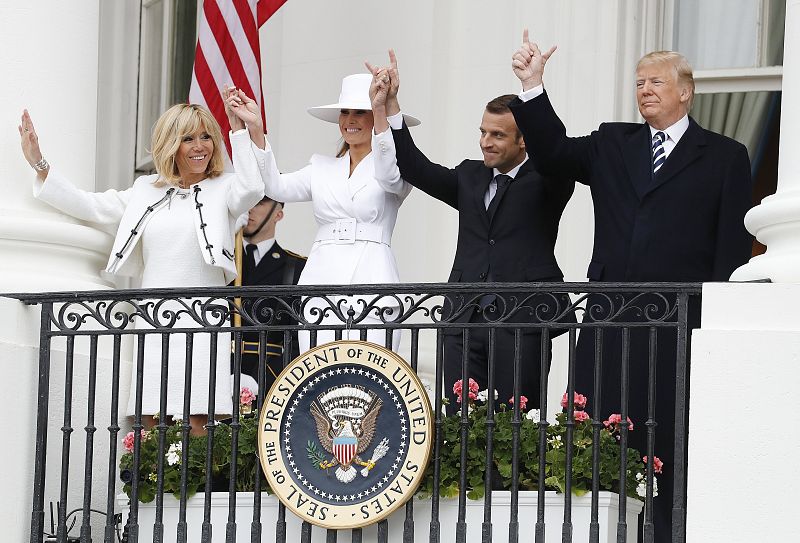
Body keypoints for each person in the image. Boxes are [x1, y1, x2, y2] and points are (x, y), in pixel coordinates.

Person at [509, 31, 753, 541]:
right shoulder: (611, 142)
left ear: (685, 91)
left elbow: (731, 247)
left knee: (670, 432)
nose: (645, 90)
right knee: (596, 428)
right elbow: (553, 154)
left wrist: (716, 321)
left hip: (678, 321)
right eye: (639, 82)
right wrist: (533, 87)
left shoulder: (725, 155)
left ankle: (666, 532)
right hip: (610, 316)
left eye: (656, 82)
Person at [19, 95, 265, 435]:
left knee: (199, 415)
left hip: (203, 315)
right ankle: (151, 471)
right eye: (188, 138)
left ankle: (195, 472)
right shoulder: (145, 189)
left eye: (206, 137)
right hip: (154, 314)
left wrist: (242, 131)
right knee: (152, 413)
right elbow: (91, 206)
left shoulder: (224, 187)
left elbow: (253, 189)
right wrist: (40, 164)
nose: (200, 146)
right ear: (171, 145)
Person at [369, 50, 574, 413]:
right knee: (460, 421)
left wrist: (532, 86)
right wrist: (391, 106)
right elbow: (415, 168)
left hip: (522, 320)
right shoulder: (469, 175)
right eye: (483, 132)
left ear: (523, 140)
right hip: (464, 321)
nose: (485, 142)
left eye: (497, 135)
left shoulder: (549, 179)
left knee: (517, 422)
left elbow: (553, 145)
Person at [228, 74, 419, 353]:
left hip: (372, 276)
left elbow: (389, 176)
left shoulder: (398, 168)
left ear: (376, 116)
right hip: (322, 279)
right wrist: (255, 128)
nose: (350, 120)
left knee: (369, 370)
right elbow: (275, 187)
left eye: (360, 112)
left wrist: (382, 110)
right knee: (321, 370)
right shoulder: (321, 167)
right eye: (345, 112)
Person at [233, 196, 306, 393]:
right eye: (247, 201)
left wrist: (265, 379)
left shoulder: (296, 267)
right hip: (219, 376)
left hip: (270, 382)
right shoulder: (223, 261)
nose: (249, 208)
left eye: (259, 202)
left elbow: (298, 339)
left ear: (278, 215)